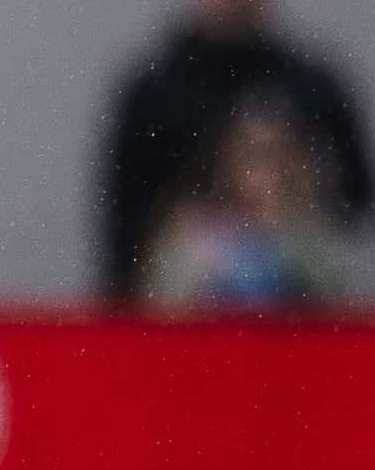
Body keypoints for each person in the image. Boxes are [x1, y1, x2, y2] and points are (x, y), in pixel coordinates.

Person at [93, 0, 374, 307]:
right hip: (180, 322)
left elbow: (360, 202)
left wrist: (296, 202)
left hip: (299, 325)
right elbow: (120, 223)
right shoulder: (154, 93)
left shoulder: (314, 88)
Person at [141, 92, 355, 311]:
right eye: (253, 155)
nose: (269, 171)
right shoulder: (191, 230)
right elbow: (163, 313)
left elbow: (339, 307)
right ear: (226, 160)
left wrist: (287, 236)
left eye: (280, 154)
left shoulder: (313, 229)